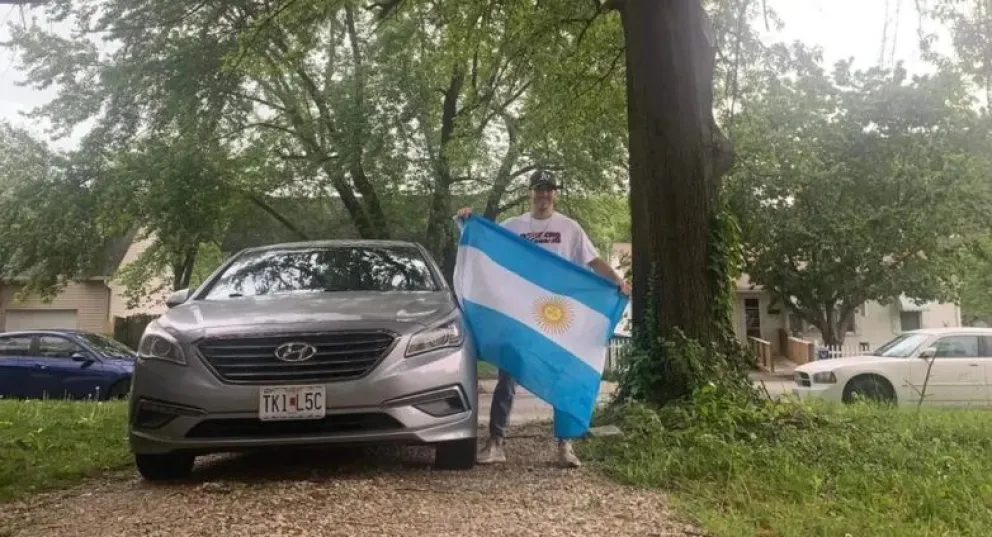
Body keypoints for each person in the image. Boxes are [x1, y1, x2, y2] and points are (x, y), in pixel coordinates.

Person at [455, 168, 631, 468]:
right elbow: (486, 246)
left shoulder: (570, 228)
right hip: (520, 316)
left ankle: (565, 446)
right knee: (507, 375)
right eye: (538, 189)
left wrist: (618, 281)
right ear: (530, 193)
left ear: (555, 193)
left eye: (549, 189)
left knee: (564, 376)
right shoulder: (513, 226)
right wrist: (465, 222)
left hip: (558, 318)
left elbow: (593, 260)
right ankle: (496, 442)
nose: (543, 195)